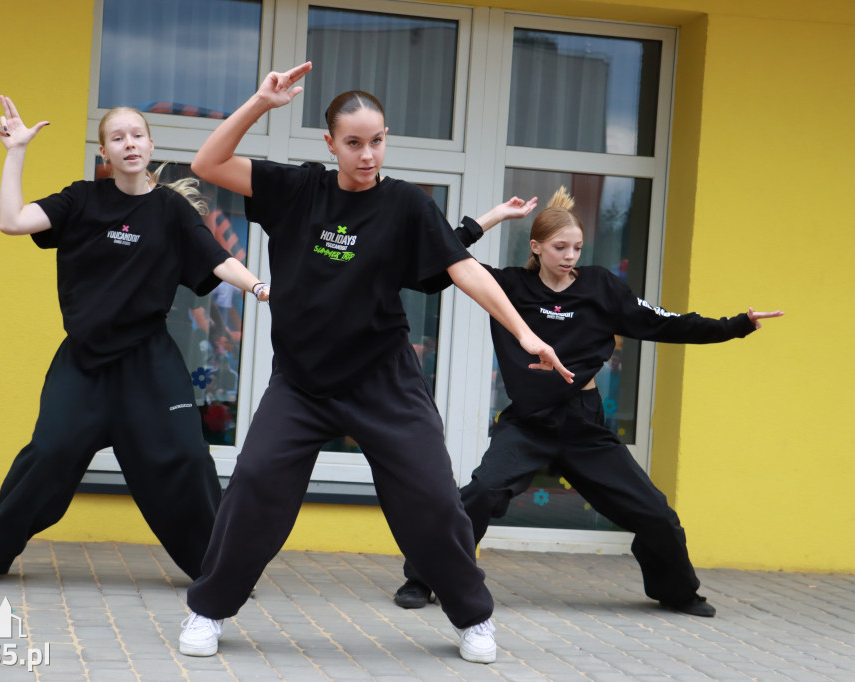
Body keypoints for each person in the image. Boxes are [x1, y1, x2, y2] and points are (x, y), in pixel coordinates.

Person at [177, 61, 573, 665]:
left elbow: (463, 269)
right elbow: (207, 165)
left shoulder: (407, 206)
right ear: (330, 143)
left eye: (378, 141)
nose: (368, 155)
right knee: (255, 484)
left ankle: (473, 618)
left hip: (383, 382)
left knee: (434, 501)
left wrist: (523, 333)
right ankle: (208, 609)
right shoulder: (296, 188)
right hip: (302, 383)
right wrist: (260, 102)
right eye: (355, 143)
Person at [392, 186, 783, 618]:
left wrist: (735, 326)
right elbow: (440, 259)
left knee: (655, 513)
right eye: (560, 247)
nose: (570, 256)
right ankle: (423, 578)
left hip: (584, 425)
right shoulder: (510, 285)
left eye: (577, 247)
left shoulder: (601, 287)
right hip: (530, 424)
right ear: (536, 248)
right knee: (481, 493)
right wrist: (494, 217)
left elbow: (665, 323)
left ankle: (676, 591)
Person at [0, 96, 270, 585]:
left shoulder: (171, 209)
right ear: (104, 152)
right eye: (117, 138)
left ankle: (220, 572)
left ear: (150, 144)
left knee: (186, 457)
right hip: (84, 362)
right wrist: (16, 151)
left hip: (149, 361)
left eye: (136, 135)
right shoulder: (81, 199)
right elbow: (12, 221)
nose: (129, 144)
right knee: (49, 453)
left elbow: (215, 258)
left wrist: (258, 286)